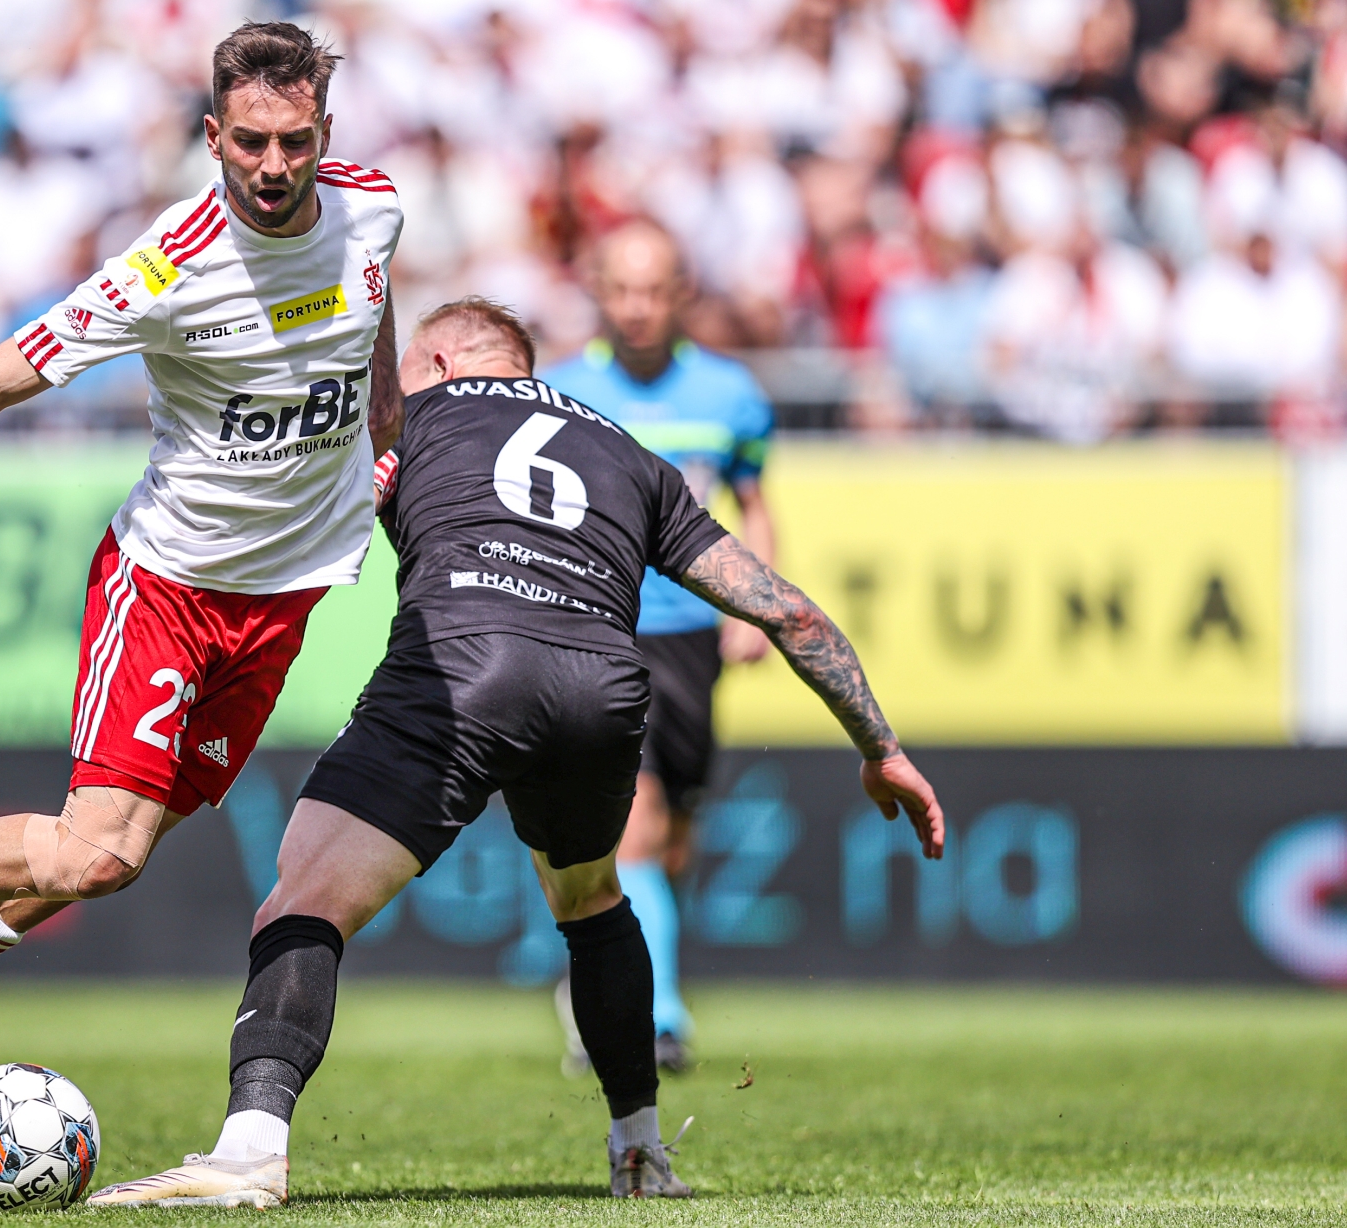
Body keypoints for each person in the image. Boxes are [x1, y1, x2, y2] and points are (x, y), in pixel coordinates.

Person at [88, 299, 943, 1207]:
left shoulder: (408, 417)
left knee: (303, 900)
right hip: (603, 687)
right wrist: (880, 747)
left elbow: (298, 526)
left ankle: (251, 1151)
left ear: (440, 363)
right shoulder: (632, 456)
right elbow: (788, 612)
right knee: (591, 899)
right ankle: (640, 1153)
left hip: (463, 667)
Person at [0, 21, 404, 1149]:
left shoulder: (374, 207)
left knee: (100, 855)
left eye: (295, 141)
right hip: (171, 591)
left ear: (325, 133)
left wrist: (383, 434)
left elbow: (370, 317)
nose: (273, 165)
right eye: (249, 141)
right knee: (99, 849)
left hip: (281, 606)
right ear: (213, 136)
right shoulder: (169, 265)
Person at [540, 220, 775, 1071]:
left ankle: (606, 975)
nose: (637, 308)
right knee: (633, 821)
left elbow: (755, 506)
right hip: (599, 628)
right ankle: (656, 1017)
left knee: (675, 838)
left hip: (692, 638)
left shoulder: (731, 394)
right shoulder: (559, 391)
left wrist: (754, 609)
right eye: (622, 290)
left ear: (681, 295)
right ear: (598, 292)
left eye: (653, 291)